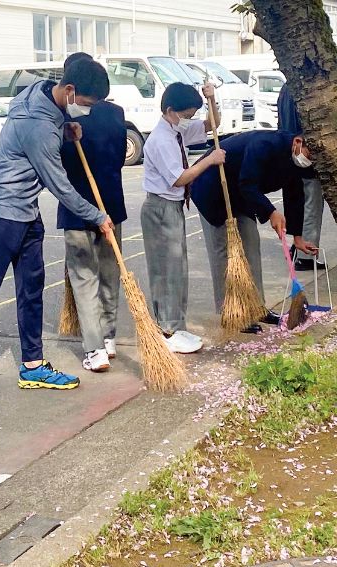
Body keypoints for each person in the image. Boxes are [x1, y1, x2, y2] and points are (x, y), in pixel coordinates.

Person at [0, 58, 115, 403]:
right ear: (70, 91)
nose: (87, 112)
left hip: (26, 210)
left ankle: (32, 365)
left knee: (31, 287)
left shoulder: (40, 95)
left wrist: (65, 126)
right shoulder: (38, 126)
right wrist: (97, 216)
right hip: (2, 210)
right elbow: (59, 186)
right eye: (87, 105)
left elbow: (48, 120)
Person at [193, 131, 313, 332]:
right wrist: (271, 211)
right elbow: (247, 182)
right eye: (309, 155)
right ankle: (231, 312)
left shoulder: (295, 159)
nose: (309, 161)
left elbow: (295, 194)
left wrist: (298, 237)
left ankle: (257, 307)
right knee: (224, 251)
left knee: (251, 246)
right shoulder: (265, 144)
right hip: (213, 188)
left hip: (241, 195)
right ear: (298, 142)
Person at [140, 81, 224, 354]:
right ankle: (167, 328)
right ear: (170, 110)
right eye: (187, 115)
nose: (190, 121)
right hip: (160, 208)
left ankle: (176, 323)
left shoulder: (177, 131)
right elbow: (178, 179)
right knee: (166, 270)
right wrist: (209, 160)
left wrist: (212, 98)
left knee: (178, 270)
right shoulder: (161, 139)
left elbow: (213, 124)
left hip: (173, 208)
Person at [57, 52, 127, 373]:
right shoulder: (116, 113)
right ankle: (109, 338)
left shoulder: (60, 117)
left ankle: (95, 349)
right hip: (112, 206)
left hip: (76, 210)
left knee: (85, 279)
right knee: (110, 273)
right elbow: (118, 159)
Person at [276, 84, 324, 270]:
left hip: (289, 151)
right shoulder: (306, 88)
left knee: (296, 202)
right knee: (311, 203)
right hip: (305, 153)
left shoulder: (284, 90)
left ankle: (298, 246)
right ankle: (306, 255)